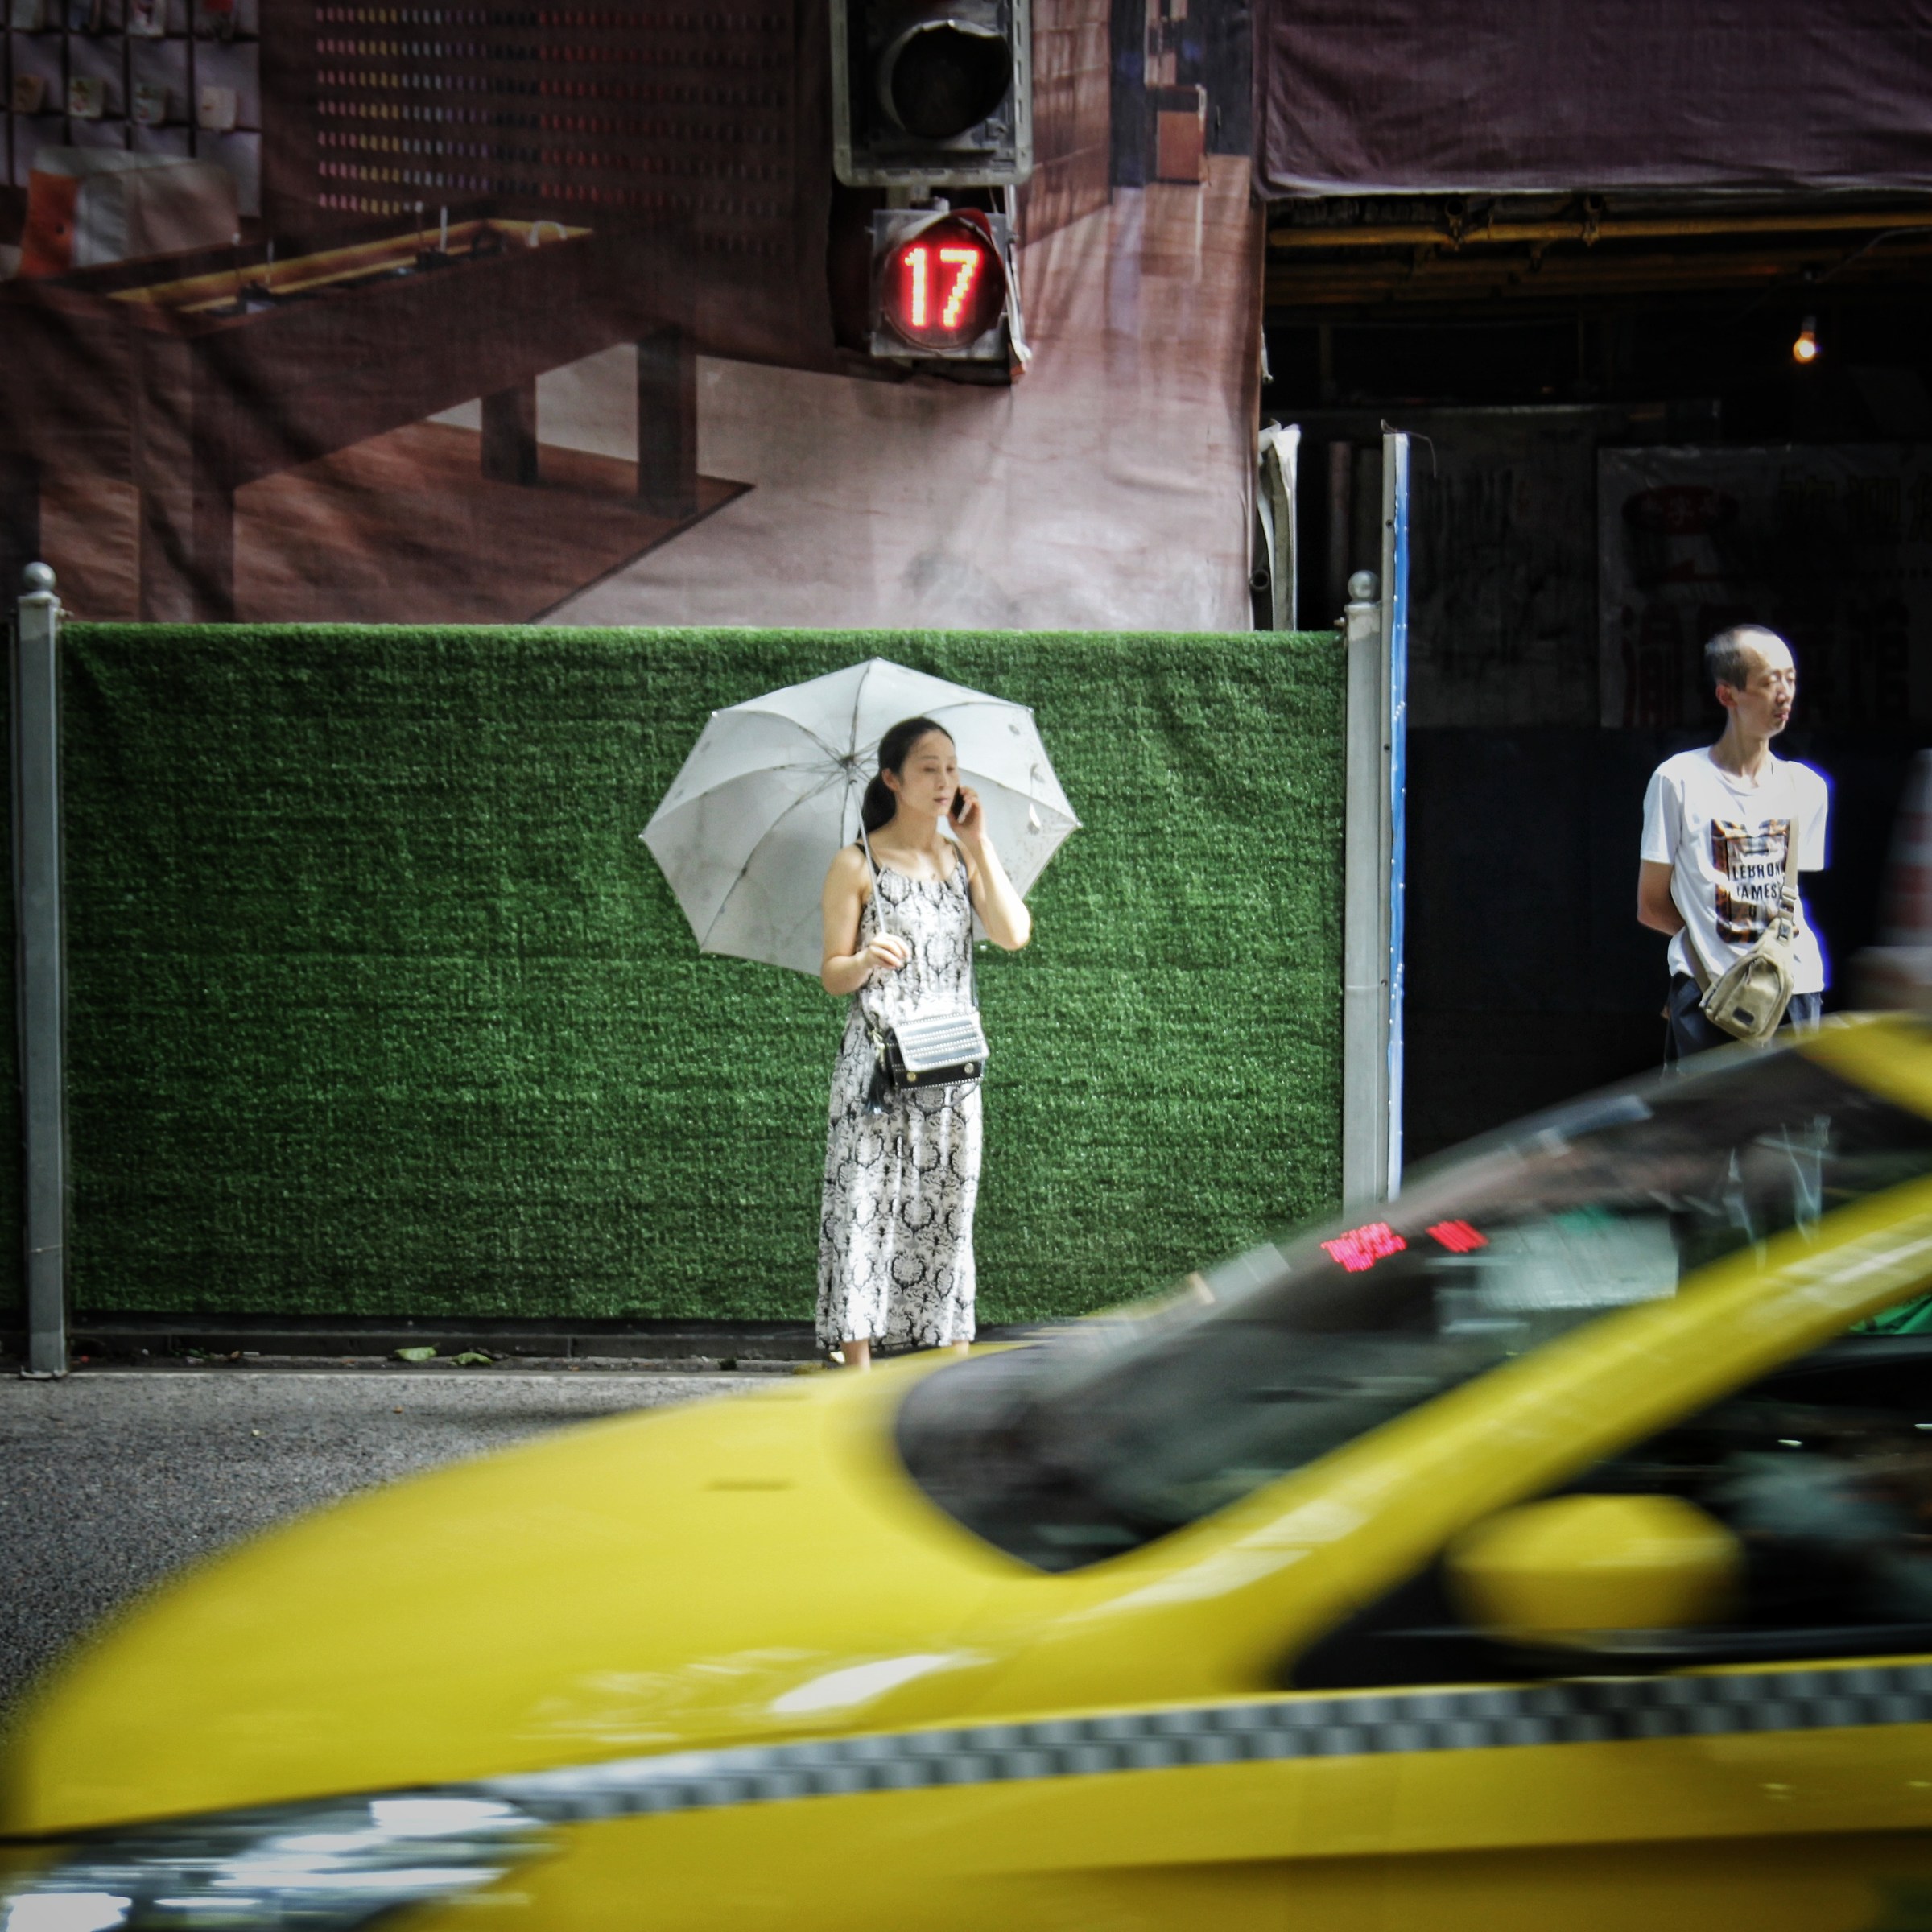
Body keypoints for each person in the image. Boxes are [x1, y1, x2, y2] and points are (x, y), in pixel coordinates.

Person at [815, 717, 1032, 1369]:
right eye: (929, 768)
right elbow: (831, 974)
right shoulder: (856, 862)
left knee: (947, 1211)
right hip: (877, 1070)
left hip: (951, 1070)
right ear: (892, 779)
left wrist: (979, 842)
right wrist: (865, 961)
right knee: (862, 1207)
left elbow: (1014, 932)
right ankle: (857, 1373)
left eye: (951, 768)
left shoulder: (962, 857)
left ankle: (949, 1367)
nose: (945, 781)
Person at [1638, 625, 1829, 1063]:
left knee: (1795, 1130)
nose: (1785, 694)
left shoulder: (1807, 787)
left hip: (1792, 991)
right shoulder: (1678, 781)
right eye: (1768, 682)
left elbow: (1790, 902)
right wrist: (1707, 959)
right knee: (1701, 1127)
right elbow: (1651, 905)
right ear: (1728, 695)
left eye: (1791, 678)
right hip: (1709, 995)